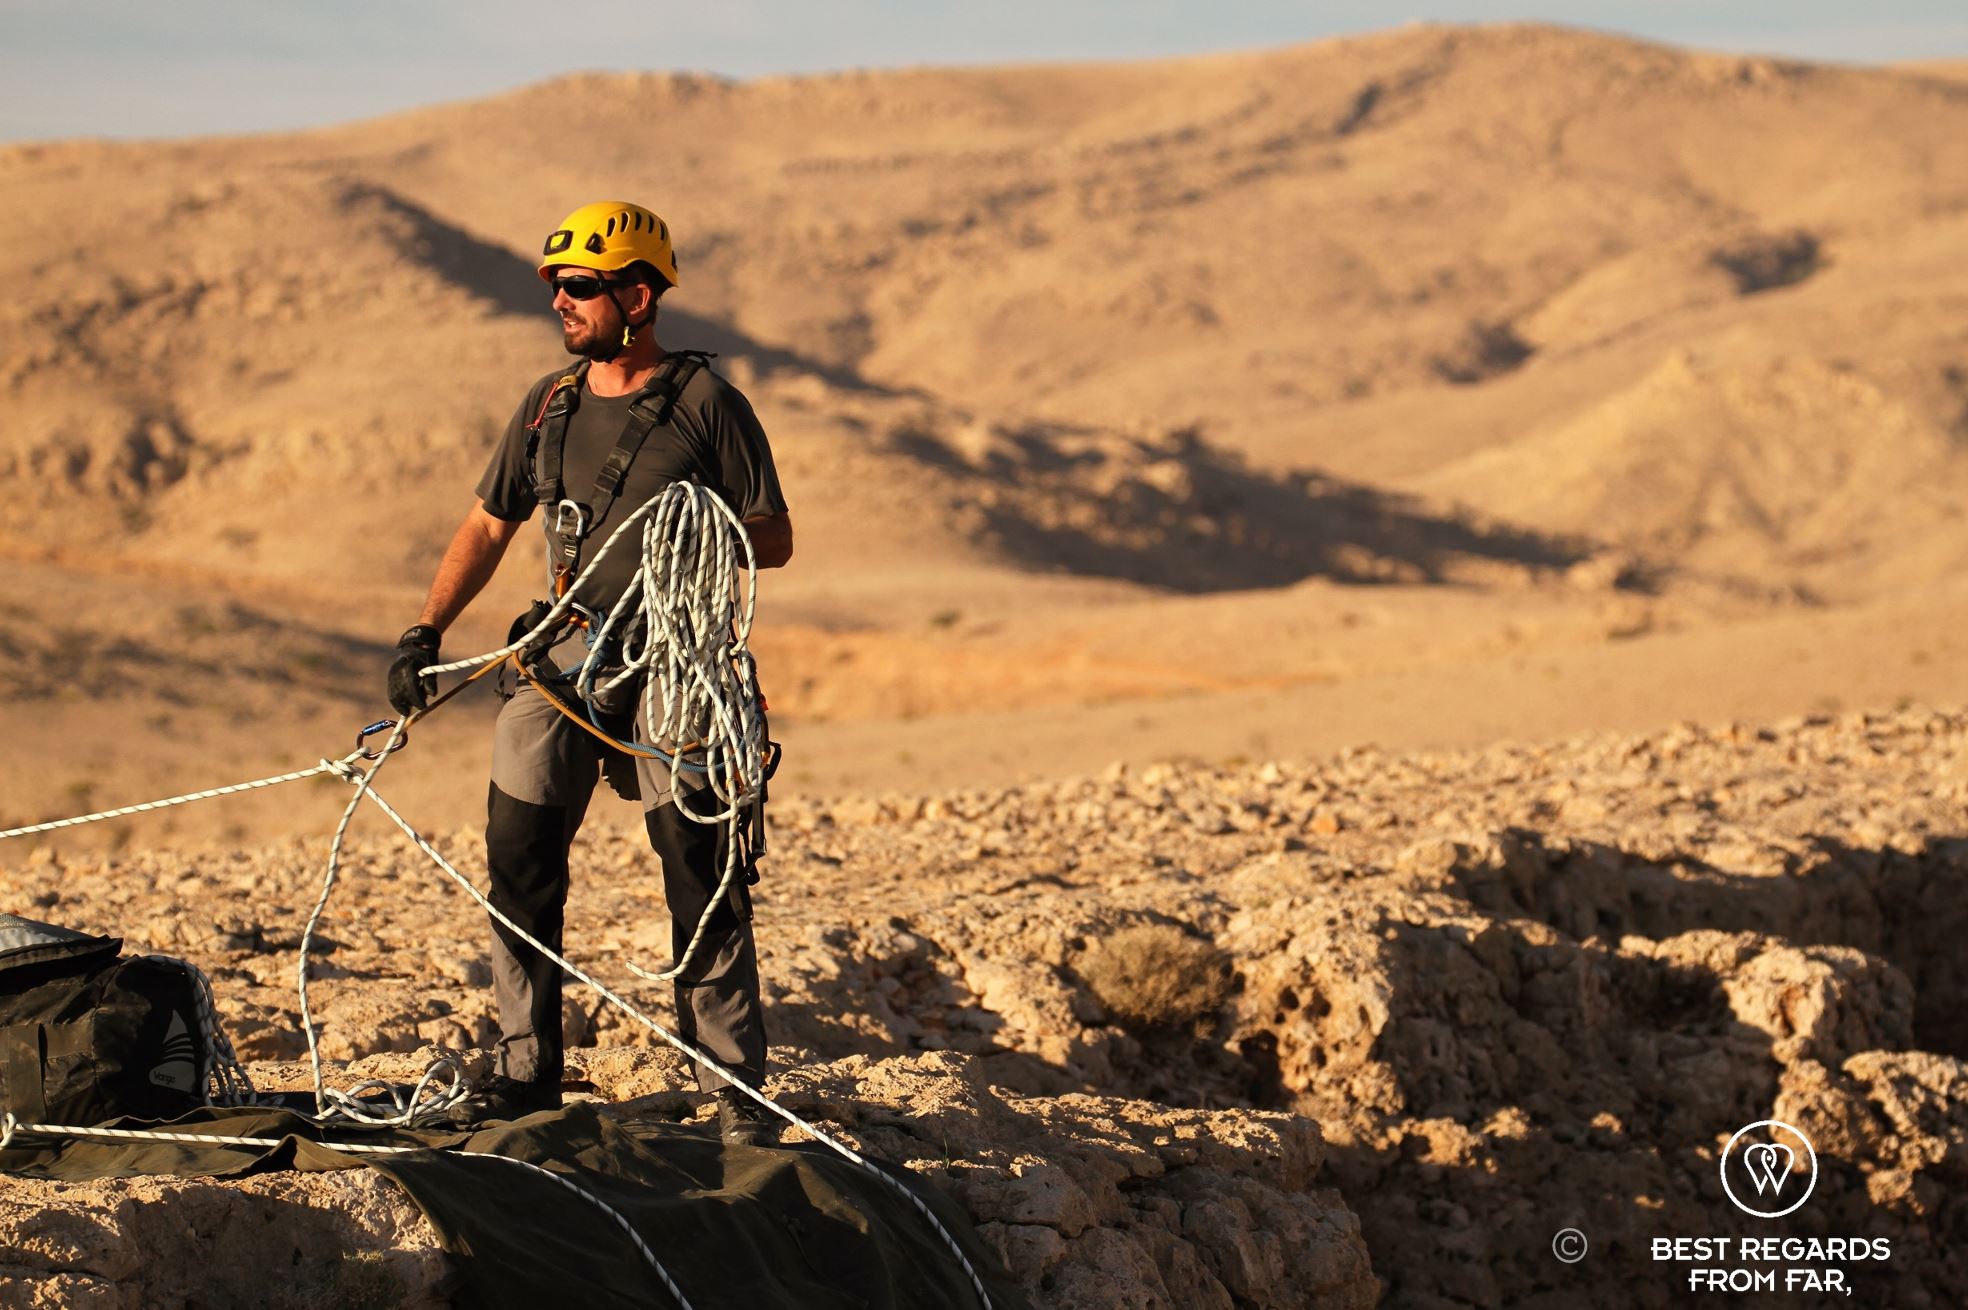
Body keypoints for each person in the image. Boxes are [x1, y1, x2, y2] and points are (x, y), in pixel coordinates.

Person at [385, 201, 793, 1144]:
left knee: (700, 866)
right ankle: (525, 1075)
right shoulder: (548, 405)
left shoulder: (709, 405)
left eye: (578, 287)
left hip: (678, 662)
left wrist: (701, 522)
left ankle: (735, 1089)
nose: (560, 303)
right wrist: (425, 631)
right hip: (563, 656)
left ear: (638, 297)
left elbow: (773, 538)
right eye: (555, 288)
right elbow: (489, 523)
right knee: (518, 856)